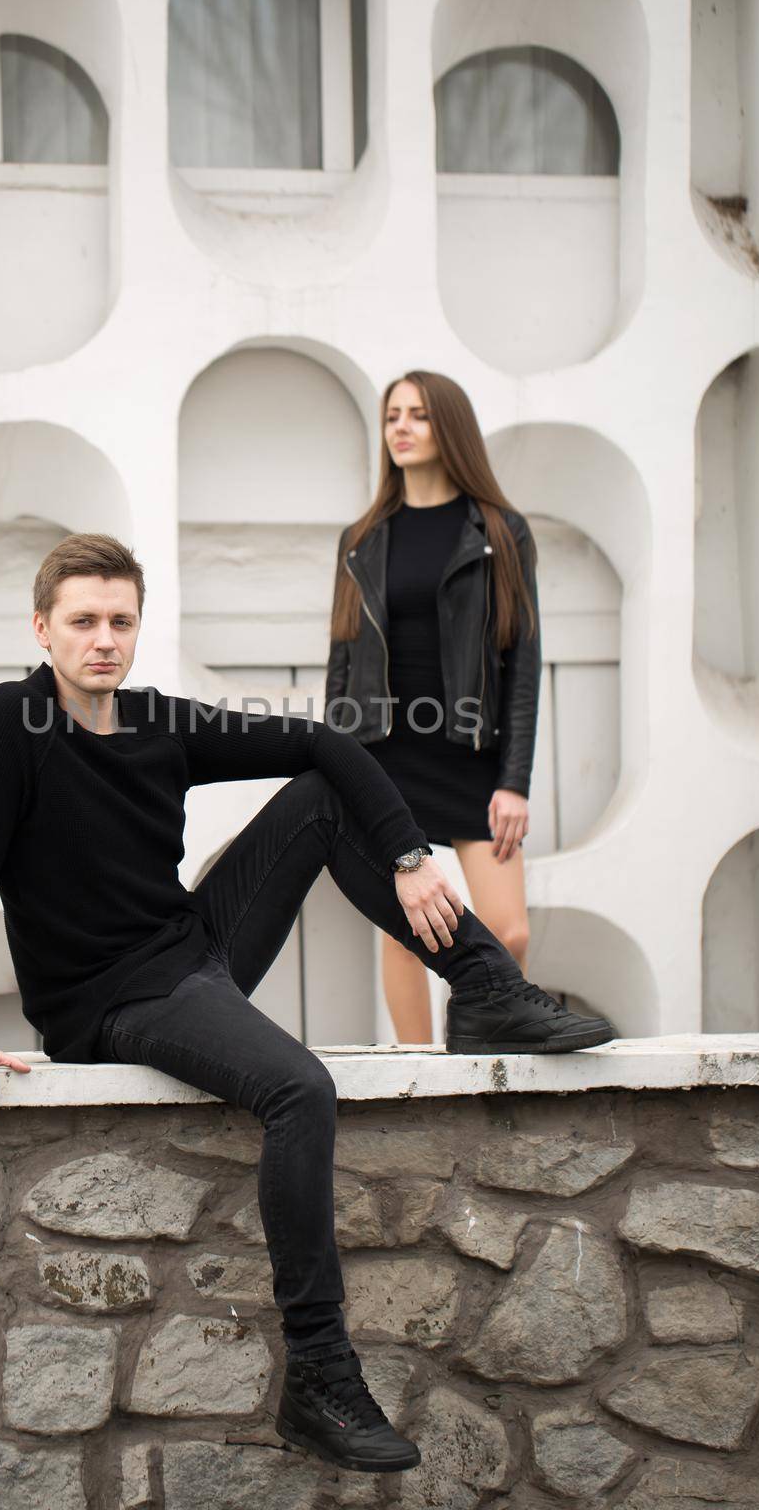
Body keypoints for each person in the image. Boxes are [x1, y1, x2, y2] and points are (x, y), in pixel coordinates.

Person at [0, 532, 613, 1475]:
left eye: (120, 621)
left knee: (326, 790)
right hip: (107, 1005)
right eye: (82, 621)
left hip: (192, 951)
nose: (103, 641)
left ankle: (486, 988)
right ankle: (320, 1377)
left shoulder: (157, 720)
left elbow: (326, 740)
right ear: (41, 627)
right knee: (299, 1088)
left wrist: (412, 858)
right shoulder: (9, 726)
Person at [326, 370, 540, 1046]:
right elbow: (341, 658)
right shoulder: (361, 537)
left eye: (417, 414)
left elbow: (523, 661)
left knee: (508, 930)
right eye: (393, 415)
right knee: (408, 931)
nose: (401, 427)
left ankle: (476, 1046)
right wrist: (340, 765)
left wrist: (513, 782)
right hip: (386, 756)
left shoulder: (500, 532)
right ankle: (422, 1077)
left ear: (448, 427)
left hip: (471, 757)